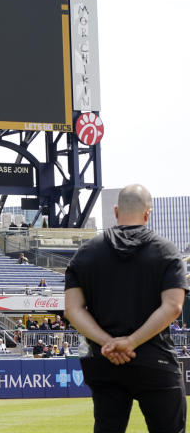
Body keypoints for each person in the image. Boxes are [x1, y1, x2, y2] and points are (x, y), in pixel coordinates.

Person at [64, 184, 188, 433]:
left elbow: (73, 310)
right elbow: (173, 307)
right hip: (156, 360)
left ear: (116, 210)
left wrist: (108, 343)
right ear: (147, 213)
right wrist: (130, 342)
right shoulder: (167, 252)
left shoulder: (85, 253)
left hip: (104, 360)